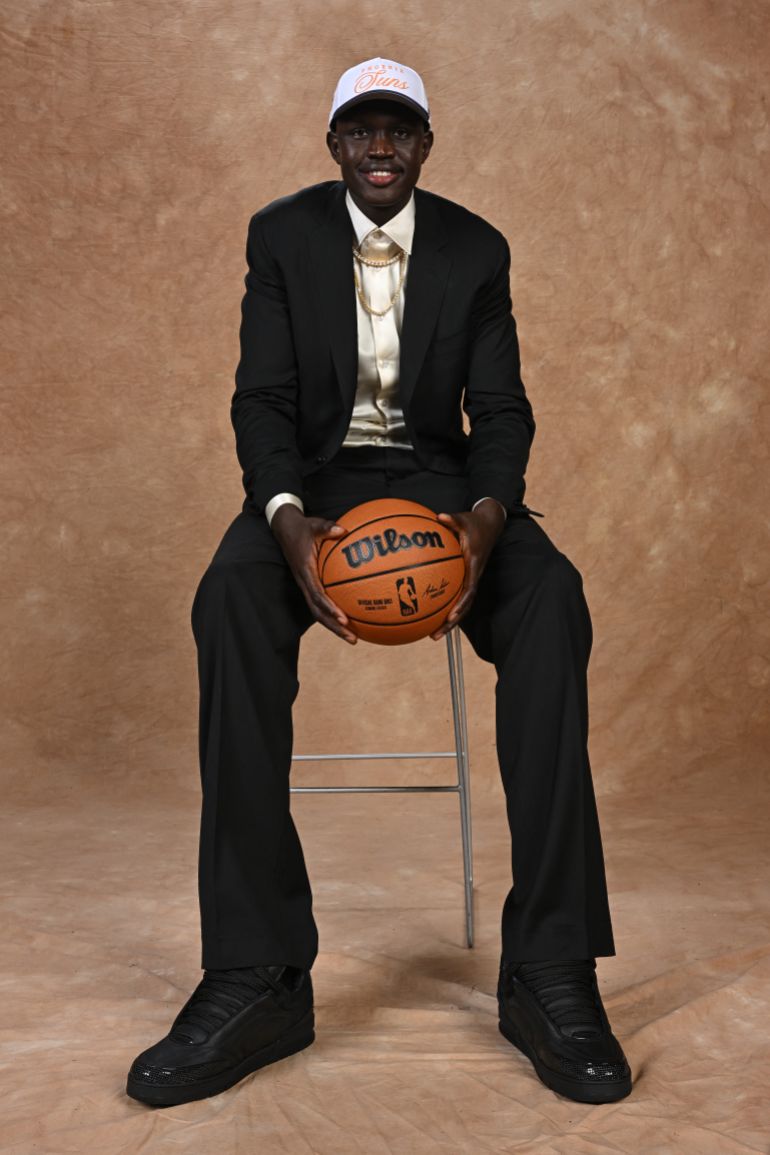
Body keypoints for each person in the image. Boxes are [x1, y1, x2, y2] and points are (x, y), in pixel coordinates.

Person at [126, 57, 632, 1108]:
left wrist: (486, 521)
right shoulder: (280, 236)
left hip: (438, 482)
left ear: (426, 145)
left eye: (399, 129)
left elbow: (499, 413)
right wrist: (286, 523)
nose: (380, 148)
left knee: (551, 598)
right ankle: (257, 973)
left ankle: (548, 966)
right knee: (226, 599)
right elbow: (260, 399)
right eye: (360, 129)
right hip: (313, 487)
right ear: (332, 145)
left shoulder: (475, 248)